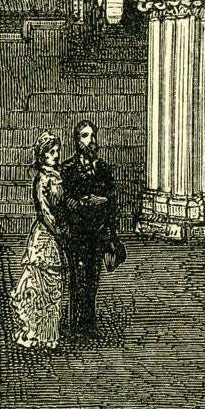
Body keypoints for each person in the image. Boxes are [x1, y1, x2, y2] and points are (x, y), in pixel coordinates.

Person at [60, 119, 125, 337]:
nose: (91, 140)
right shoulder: (67, 169)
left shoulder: (104, 169)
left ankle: (89, 323)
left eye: (93, 135)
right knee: (77, 277)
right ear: (77, 140)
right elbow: (63, 202)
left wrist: (111, 233)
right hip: (77, 232)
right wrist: (82, 203)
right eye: (85, 136)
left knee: (92, 279)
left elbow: (112, 201)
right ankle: (74, 324)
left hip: (97, 232)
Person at [10, 132, 68, 349]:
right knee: (41, 283)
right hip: (45, 236)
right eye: (50, 152)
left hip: (58, 232)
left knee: (53, 287)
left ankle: (49, 334)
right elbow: (44, 210)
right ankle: (36, 331)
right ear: (41, 156)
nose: (55, 155)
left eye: (56, 151)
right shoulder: (42, 179)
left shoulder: (57, 175)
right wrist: (59, 230)